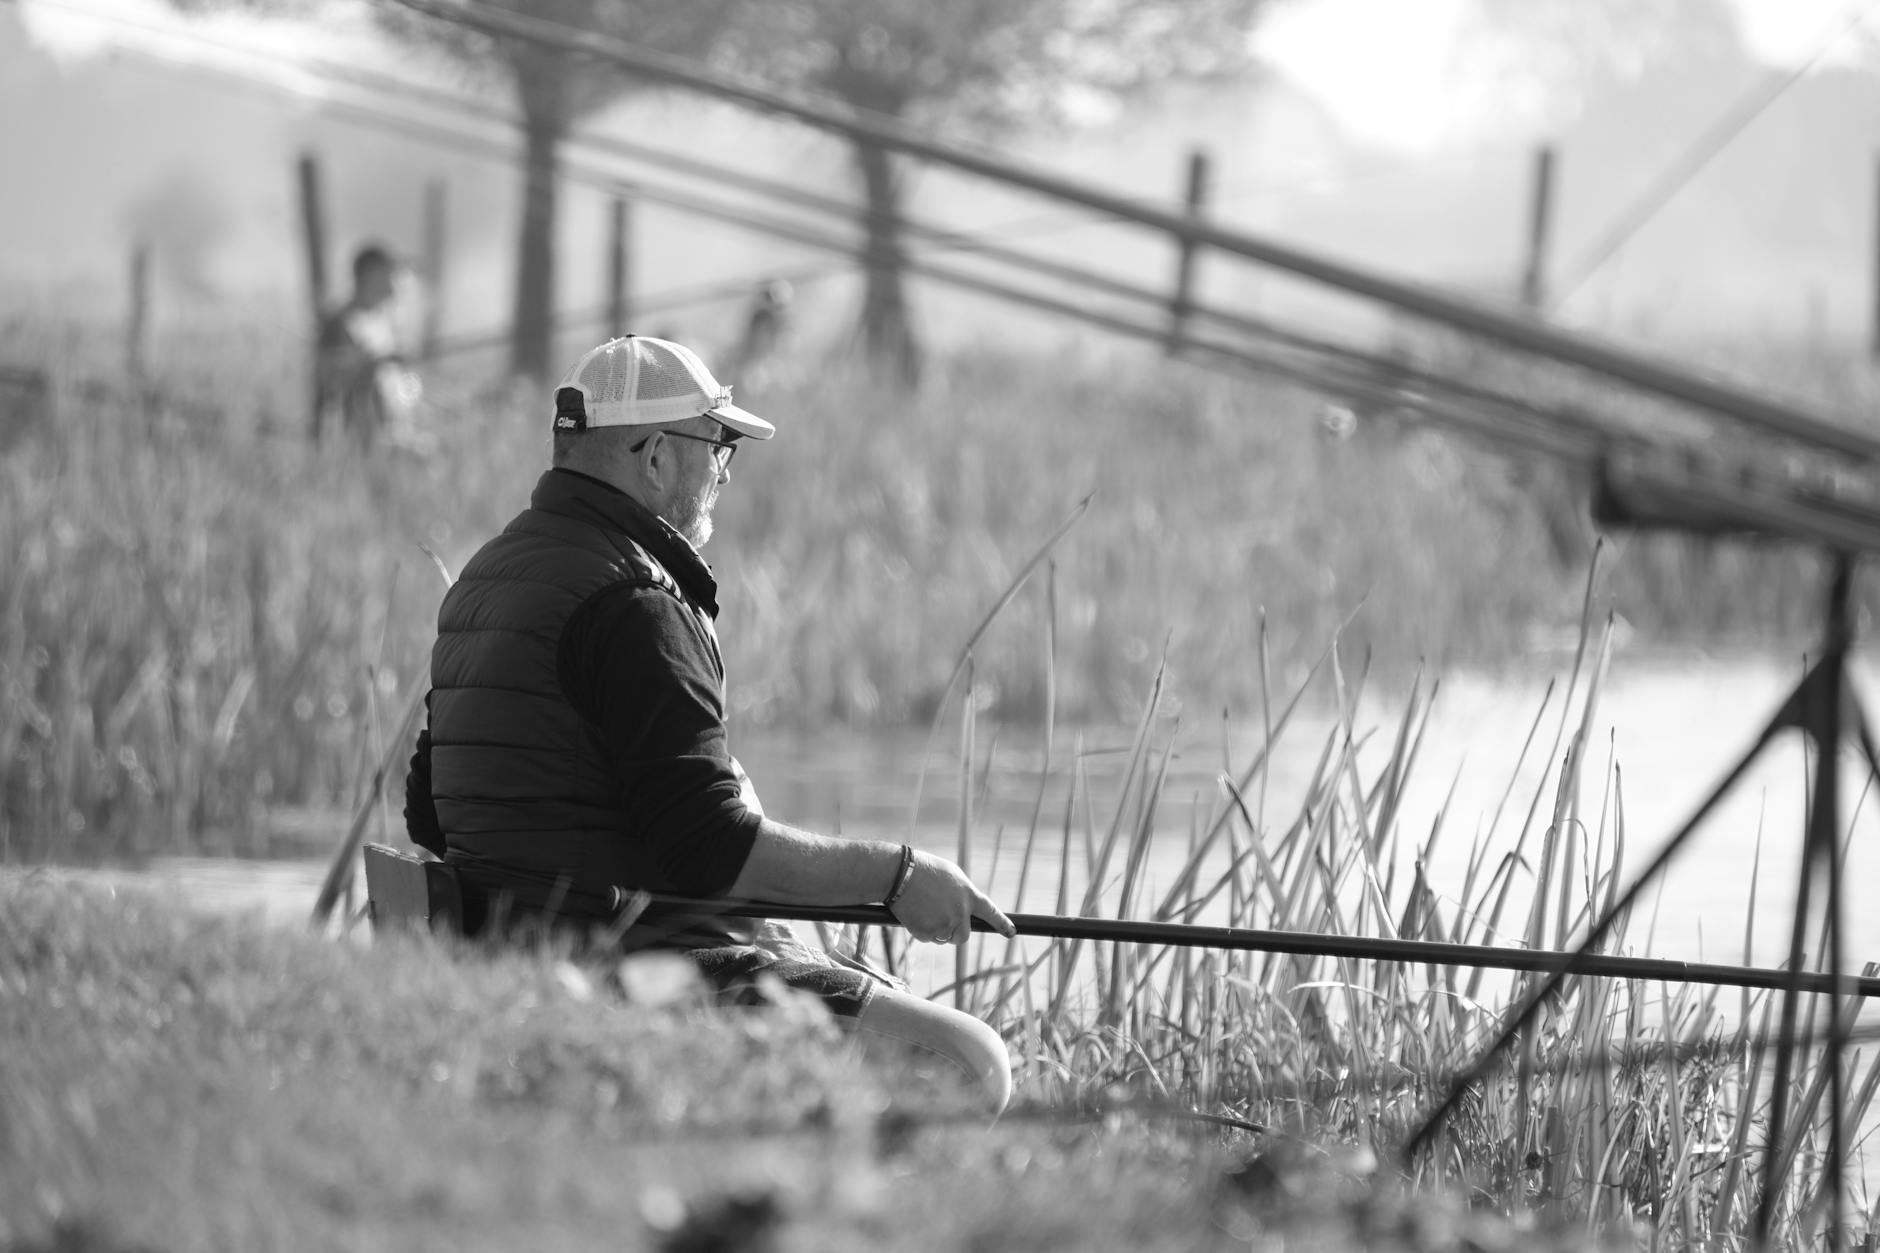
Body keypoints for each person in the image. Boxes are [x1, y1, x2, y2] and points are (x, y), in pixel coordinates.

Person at [401, 334, 1015, 1109]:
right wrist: (898, 874)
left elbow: (430, 810)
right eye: (717, 443)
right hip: (613, 974)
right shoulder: (633, 602)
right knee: (970, 1060)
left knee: (824, 961)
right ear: (656, 456)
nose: (725, 469)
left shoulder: (486, 577)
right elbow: (709, 847)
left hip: (519, 956)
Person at [313, 243, 422, 448]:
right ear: (371, 275)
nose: (396, 279)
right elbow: (328, 380)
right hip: (359, 442)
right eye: (389, 272)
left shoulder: (385, 321)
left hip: (393, 434)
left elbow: (403, 387)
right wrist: (375, 360)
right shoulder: (338, 322)